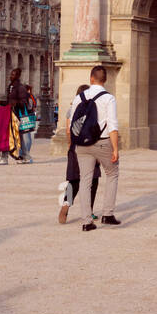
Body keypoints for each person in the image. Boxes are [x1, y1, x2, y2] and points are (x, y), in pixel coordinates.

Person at [67, 65, 120, 232]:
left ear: (91, 78)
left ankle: (86, 221)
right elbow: (112, 125)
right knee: (112, 174)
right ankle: (108, 213)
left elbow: (73, 124)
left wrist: (73, 144)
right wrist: (115, 148)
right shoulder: (108, 98)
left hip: (82, 144)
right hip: (102, 142)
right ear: (105, 80)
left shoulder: (79, 97)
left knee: (85, 180)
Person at [58, 84, 100, 224]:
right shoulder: (93, 109)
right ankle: (89, 211)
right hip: (89, 146)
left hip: (75, 147)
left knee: (73, 180)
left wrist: (70, 146)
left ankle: (66, 204)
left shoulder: (71, 109)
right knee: (92, 180)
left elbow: (69, 130)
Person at [7, 68, 31, 162]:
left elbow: (24, 102)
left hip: (20, 115)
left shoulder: (21, 88)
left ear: (17, 76)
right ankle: (21, 155)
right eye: (11, 74)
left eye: (13, 75)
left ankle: (26, 156)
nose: (10, 76)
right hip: (13, 115)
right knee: (17, 136)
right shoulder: (11, 87)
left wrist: (15, 102)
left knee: (23, 137)